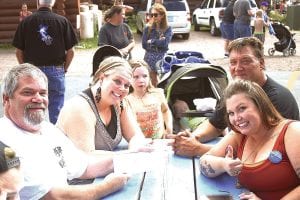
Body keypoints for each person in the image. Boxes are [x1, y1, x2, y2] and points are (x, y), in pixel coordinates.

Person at [0, 63, 129, 199]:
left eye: (43, 93)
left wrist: (131, 159)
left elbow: (84, 167)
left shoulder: (47, 130)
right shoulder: (5, 143)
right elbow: (53, 196)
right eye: (28, 92)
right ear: (6, 99)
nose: (38, 98)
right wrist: (109, 186)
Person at [167, 37, 299, 157]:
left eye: (246, 61)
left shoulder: (277, 99)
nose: (238, 68)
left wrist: (199, 149)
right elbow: (215, 124)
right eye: (233, 62)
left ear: (262, 63)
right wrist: (193, 138)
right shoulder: (234, 93)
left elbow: (262, 152)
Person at [200, 79, 300, 199]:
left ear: (260, 106)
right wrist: (224, 164)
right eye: (231, 113)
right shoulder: (240, 135)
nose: (236, 118)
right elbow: (204, 161)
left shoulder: (292, 132)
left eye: (242, 108)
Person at [56, 50, 149, 153]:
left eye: (127, 85)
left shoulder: (120, 103)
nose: (122, 88)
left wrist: (136, 147)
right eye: (117, 81)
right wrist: (129, 154)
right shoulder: (79, 108)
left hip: (104, 167)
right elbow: (86, 159)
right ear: (101, 78)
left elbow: (136, 136)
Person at [12, 0, 78, 124]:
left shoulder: (26, 22)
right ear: (52, 3)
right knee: (57, 108)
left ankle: (33, 134)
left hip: (32, 71)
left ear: (38, 3)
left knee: (32, 105)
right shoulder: (63, 21)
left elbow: (18, 52)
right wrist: (64, 68)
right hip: (56, 70)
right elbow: (71, 51)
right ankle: (57, 137)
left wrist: (25, 68)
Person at [125, 59, 173, 139]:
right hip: (140, 143)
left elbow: (165, 110)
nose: (141, 80)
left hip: (160, 141)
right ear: (128, 79)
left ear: (149, 77)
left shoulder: (157, 94)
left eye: (145, 76)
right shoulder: (127, 100)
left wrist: (169, 129)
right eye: (136, 77)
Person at [142, 3, 173, 87]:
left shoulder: (167, 28)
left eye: (155, 15)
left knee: (163, 79)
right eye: (151, 15)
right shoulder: (147, 28)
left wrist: (152, 41)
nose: (153, 17)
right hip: (149, 55)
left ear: (162, 15)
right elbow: (144, 45)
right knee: (151, 80)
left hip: (161, 55)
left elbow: (165, 44)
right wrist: (158, 41)